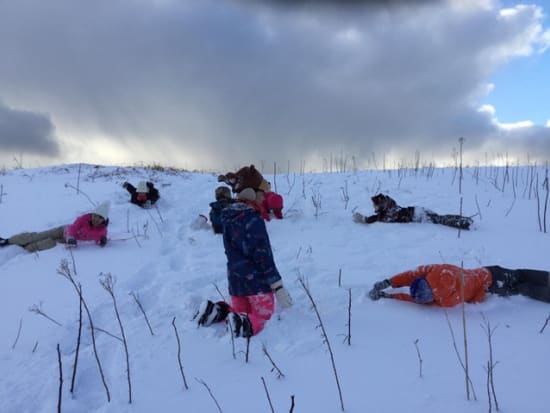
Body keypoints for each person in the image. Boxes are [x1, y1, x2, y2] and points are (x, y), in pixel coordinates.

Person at [196, 186, 292, 338]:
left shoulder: (227, 219)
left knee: (240, 312)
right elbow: (263, 256)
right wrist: (277, 285)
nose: (262, 200)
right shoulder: (254, 220)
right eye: (259, 197)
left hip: (235, 282)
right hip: (257, 284)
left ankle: (216, 311)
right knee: (263, 317)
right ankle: (242, 326)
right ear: (251, 200)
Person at [368, 264, 550, 307]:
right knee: (521, 275)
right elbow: (412, 275)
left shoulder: (446, 300)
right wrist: (388, 283)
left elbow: (478, 296)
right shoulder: (437, 270)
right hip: (490, 271)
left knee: (521, 288)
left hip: (493, 286)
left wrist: (389, 295)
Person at [0, 201, 110, 252]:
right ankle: (8, 241)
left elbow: (98, 240)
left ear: (103, 220)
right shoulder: (85, 218)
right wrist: (71, 237)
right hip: (63, 230)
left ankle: (25, 248)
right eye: (95, 215)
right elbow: (73, 227)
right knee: (39, 235)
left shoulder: (102, 231)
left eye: (99, 217)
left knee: (49, 243)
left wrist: (102, 242)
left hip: (66, 240)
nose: (95, 218)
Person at [353, 193, 473, 230]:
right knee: (440, 218)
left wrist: (365, 220)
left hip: (418, 215)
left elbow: (379, 217)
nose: (375, 207)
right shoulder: (392, 206)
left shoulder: (390, 212)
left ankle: (464, 223)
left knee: (440, 220)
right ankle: (464, 220)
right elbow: (381, 215)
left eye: (376, 205)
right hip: (419, 210)